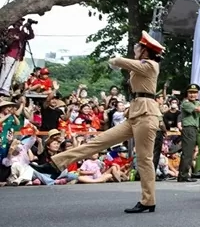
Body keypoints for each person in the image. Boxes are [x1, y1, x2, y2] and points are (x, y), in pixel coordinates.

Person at [50, 31, 164, 214]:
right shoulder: (142, 66)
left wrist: (115, 60)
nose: (135, 49)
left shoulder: (150, 65)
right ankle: (56, 163)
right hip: (136, 114)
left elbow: (122, 62)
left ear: (145, 51)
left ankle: (148, 200)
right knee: (100, 141)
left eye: (138, 47)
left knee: (144, 159)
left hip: (146, 115)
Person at [1, 18, 35, 95]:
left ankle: (5, 87)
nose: (20, 23)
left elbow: (31, 36)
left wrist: (29, 27)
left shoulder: (22, 33)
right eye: (19, 21)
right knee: (6, 71)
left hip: (18, 56)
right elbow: (8, 41)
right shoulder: (11, 31)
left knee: (12, 72)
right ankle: (3, 88)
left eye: (21, 22)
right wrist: (15, 37)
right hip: (10, 53)